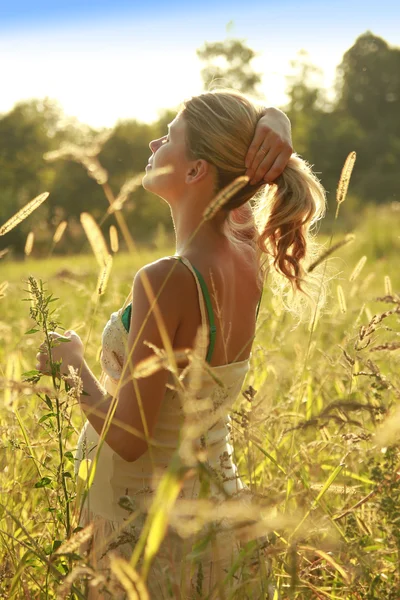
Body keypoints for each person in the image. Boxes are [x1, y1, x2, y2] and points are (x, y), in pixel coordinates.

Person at [36, 90, 326, 599]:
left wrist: (72, 364)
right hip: (214, 510)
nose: (153, 140)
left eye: (168, 135)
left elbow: (130, 437)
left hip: (148, 528)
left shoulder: (168, 278)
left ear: (195, 171)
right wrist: (273, 118)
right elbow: (246, 179)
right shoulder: (245, 249)